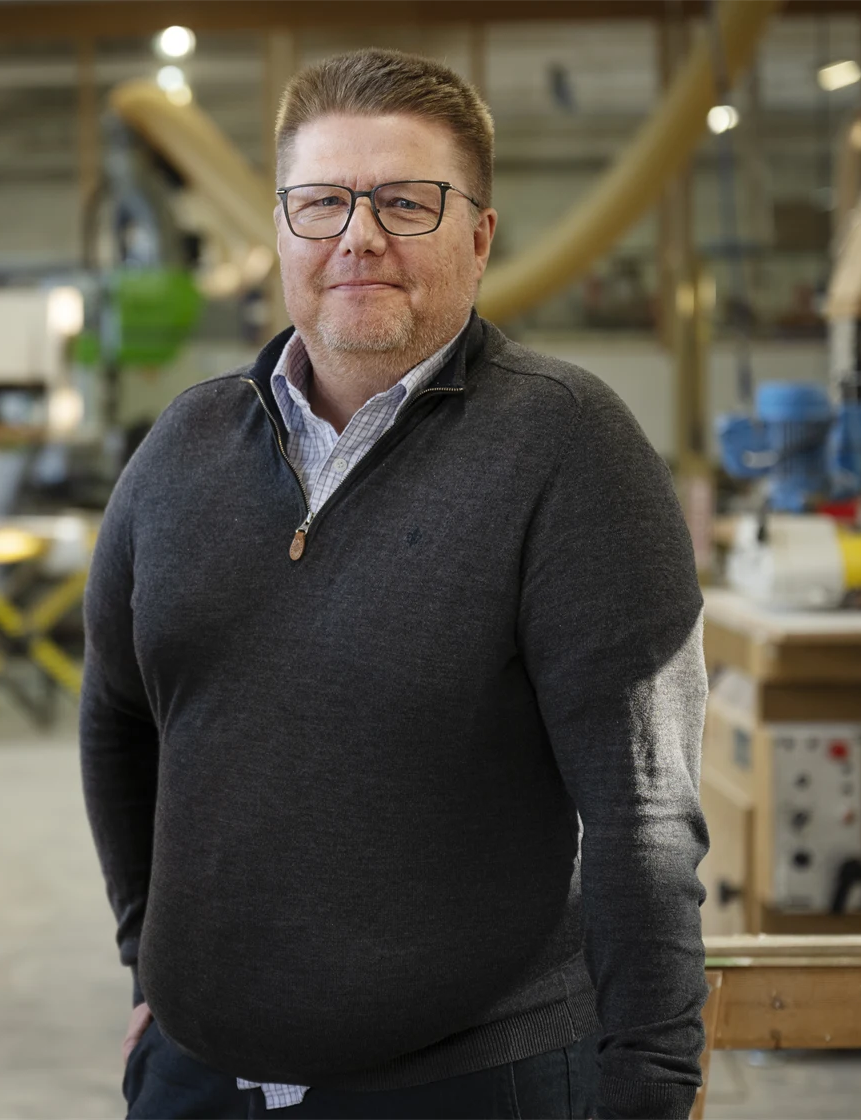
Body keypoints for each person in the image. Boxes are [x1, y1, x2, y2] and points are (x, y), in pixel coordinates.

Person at [81, 48, 708, 1120]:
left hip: (474, 1082)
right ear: (278, 230)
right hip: (198, 1079)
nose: (357, 235)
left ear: (479, 234)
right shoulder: (180, 447)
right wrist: (152, 961)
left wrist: (650, 1083)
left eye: (406, 202)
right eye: (321, 202)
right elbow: (117, 717)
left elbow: (642, 810)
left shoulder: (568, 447)